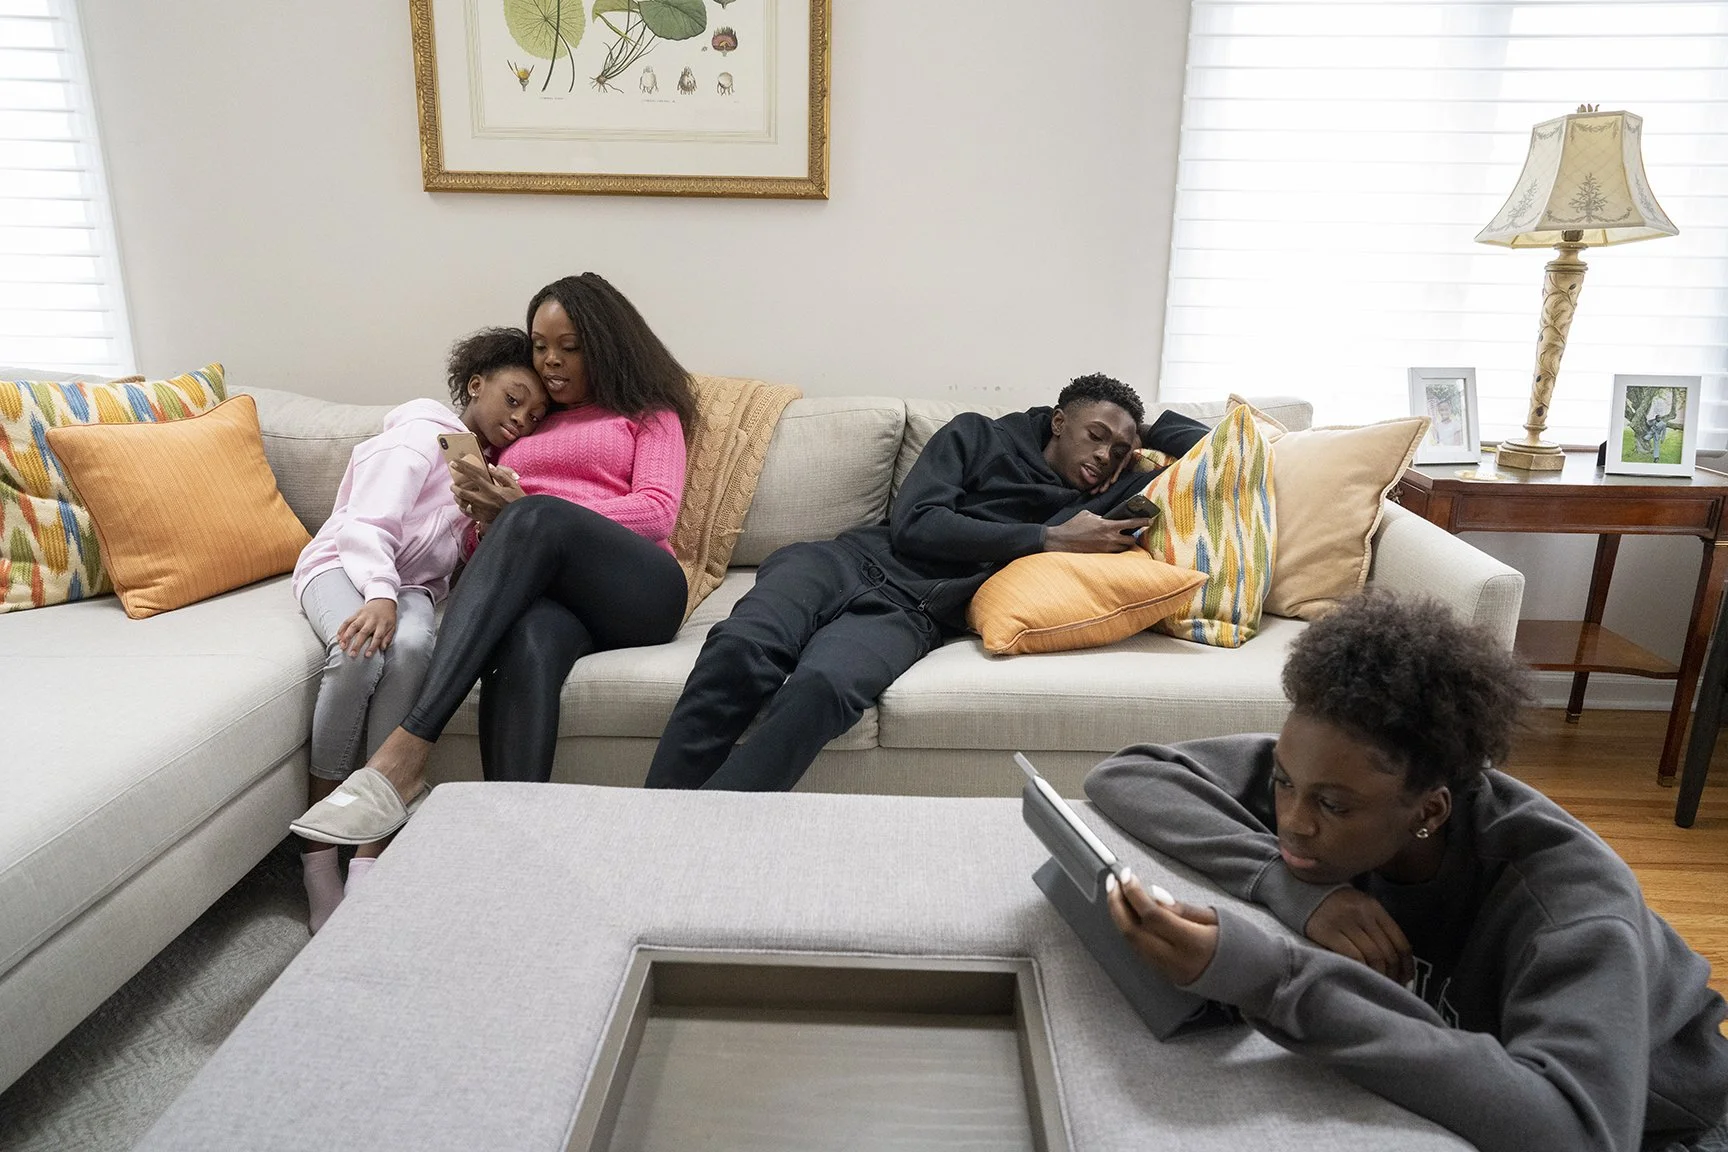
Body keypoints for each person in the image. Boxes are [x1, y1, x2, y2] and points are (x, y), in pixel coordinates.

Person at [1084, 591, 1728, 1152]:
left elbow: (1577, 1133)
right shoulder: (1333, 775)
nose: (1294, 823)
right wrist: (1290, 888)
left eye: (1332, 806)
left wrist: (1276, 982)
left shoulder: (1570, 905)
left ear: (1430, 811)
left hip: (1669, 1134)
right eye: (1282, 783)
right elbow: (1131, 775)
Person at [644, 373, 1210, 793]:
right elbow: (917, 524)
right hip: (838, 563)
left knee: (825, 687)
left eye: (1118, 450)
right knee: (740, 649)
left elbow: (1224, 448)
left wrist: (1144, 428)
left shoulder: (1105, 499)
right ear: (1059, 421)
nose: (1105, 455)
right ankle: (653, 819)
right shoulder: (977, 435)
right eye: (1095, 435)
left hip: (912, 612)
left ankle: (701, 833)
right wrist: (1046, 538)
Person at [290, 273, 696, 846]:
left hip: (638, 589)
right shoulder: (519, 428)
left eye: (569, 347)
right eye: (540, 345)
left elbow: (656, 511)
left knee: (535, 516)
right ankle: (513, 845)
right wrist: (488, 521)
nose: (551, 361)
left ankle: (408, 749)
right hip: (552, 599)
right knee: (525, 641)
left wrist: (525, 508)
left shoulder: (648, 412)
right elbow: (482, 551)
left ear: (605, 346)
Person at [291, 327, 549, 930]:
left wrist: (496, 519)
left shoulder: (480, 468)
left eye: (534, 415)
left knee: (412, 649)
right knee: (358, 654)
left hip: (412, 589)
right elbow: (365, 526)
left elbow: (456, 565)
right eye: (513, 400)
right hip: (341, 566)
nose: (521, 420)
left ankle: (371, 851)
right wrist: (380, 595)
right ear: (476, 383)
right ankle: (317, 850)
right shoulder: (416, 436)